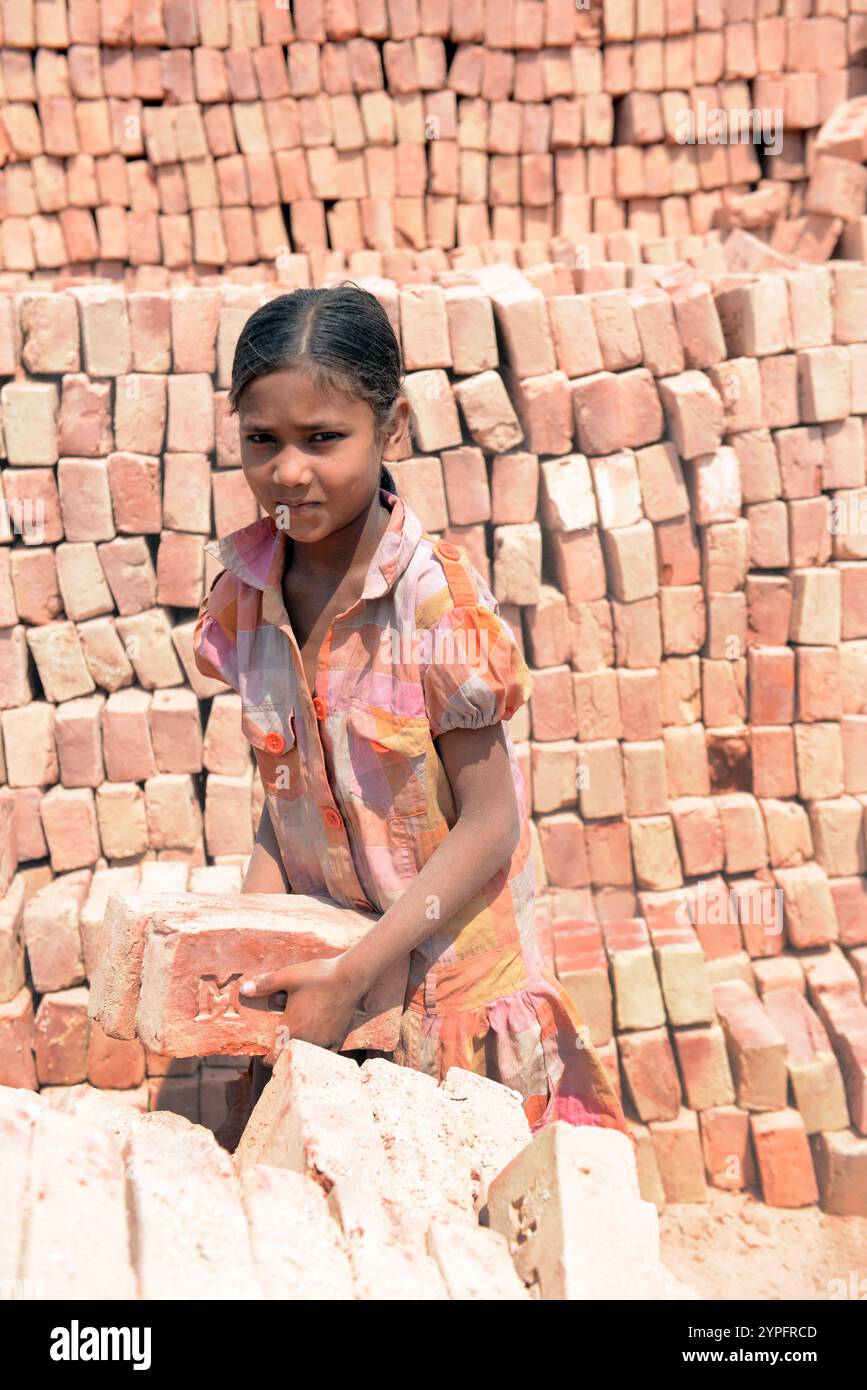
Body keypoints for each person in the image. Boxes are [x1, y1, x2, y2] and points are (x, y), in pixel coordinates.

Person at [192, 281, 629, 1148]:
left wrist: (356, 973)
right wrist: (246, 961)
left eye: (324, 439)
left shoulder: (437, 610)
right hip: (338, 987)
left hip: (446, 991)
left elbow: (490, 827)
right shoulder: (244, 601)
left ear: (391, 430)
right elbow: (286, 817)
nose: (288, 471)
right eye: (261, 441)